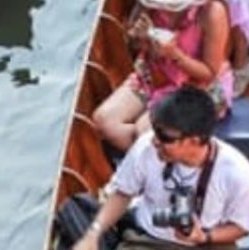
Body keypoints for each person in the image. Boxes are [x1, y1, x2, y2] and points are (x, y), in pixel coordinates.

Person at [70, 85, 249, 250]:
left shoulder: (237, 171)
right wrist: (92, 234)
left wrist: (205, 236)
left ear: (194, 140)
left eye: (165, 137)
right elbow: (123, 194)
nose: (155, 140)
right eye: (155, 130)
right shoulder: (146, 149)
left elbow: (243, 227)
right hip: (150, 244)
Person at [91, 0, 231, 152]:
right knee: (103, 120)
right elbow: (133, 43)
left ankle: (161, 159)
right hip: (154, 75)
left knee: (144, 132)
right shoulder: (147, 6)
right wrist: (139, 40)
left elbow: (209, 73)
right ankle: (155, 157)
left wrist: (175, 55)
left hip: (197, 87)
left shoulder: (212, 12)